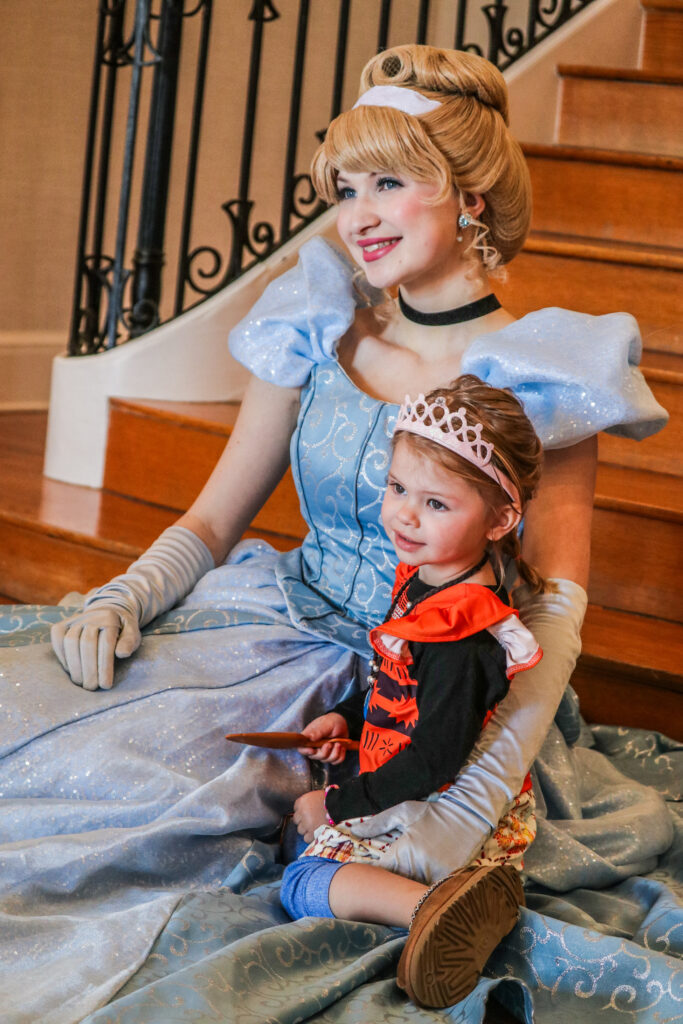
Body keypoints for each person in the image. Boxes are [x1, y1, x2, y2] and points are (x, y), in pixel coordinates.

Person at [1, 43, 674, 1024]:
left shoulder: (543, 372)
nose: (356, 214)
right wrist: (126, 593)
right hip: (275, 625)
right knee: (45, 726)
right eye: (345, 188)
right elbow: (212, 515)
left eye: (388, 183)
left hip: (436, 683)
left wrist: (468, 799)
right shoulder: (317, 325)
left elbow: (554, 609)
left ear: (470, 199)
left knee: (155, 813)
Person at [281, 376, 546, 1009]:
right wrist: (348, 720)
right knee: (297, 829)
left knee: (300, 879)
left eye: (436, 503)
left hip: (442, 808)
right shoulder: (433, 575)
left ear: (501, 519)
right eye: (398, 488)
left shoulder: (463, 633)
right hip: (407, 774)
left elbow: (434, 759)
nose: (404, 514)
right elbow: (398, 684)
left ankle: (433, 908)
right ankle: (434, 903)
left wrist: (339, 805)